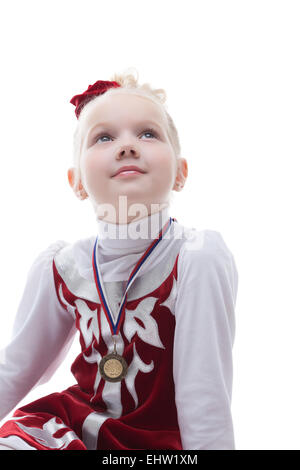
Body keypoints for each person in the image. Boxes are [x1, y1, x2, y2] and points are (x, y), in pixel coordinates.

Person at [0, 68, 238, 450]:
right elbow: (15, 369)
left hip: (156, 441)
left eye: (148, 133)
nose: (127, 146)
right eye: (104, 137)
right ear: (76, 182)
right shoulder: (62, 267)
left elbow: (205, 392)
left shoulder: (197, 257)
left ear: (181, 172)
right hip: (72, 427)